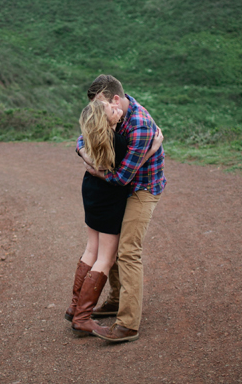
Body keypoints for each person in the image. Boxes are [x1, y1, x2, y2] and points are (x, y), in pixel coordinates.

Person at [75, 74, 166, 343]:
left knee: (128, 251)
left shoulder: (140, 127)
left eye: (100, 105)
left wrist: (94, 168)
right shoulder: (109, 112)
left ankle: (128, 324)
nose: (98, 112)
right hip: (117, 191)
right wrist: (83, 153)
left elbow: (122, 178)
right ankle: (115, 301)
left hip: (140, 188)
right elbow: (83, 137)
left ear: (115, 99)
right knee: (110, 247)